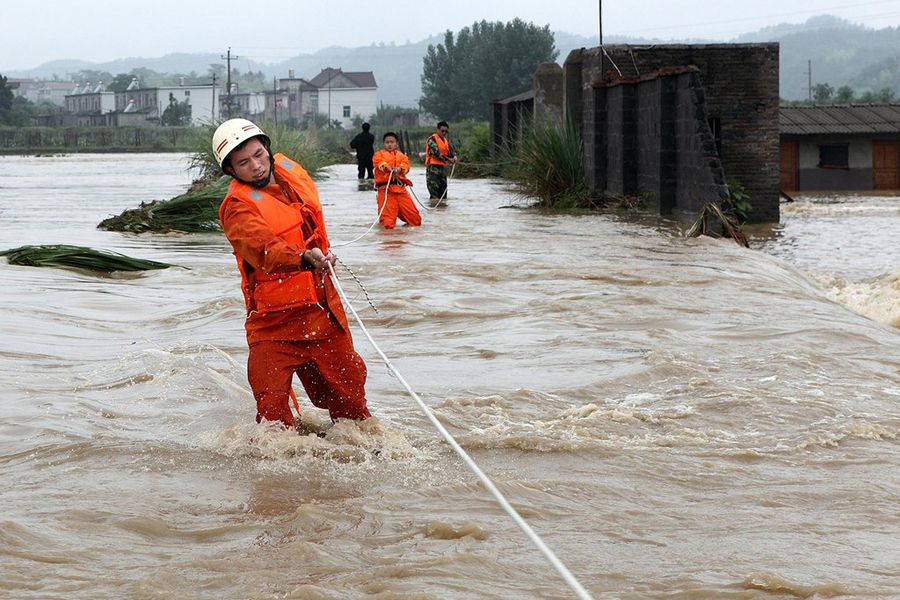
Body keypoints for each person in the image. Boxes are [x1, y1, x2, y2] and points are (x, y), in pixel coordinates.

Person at [212, 118, 371, 430]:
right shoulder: (237, 207)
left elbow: (311, 228)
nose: (255, 166)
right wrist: (304, 258)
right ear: (231, 171)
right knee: (272, 423)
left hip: (323, 314)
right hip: (273, 324)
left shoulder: (292, 178)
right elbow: (264, 249)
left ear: (268, 150)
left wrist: (323, 255)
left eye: (258, 155)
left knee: (354, 410)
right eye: (243, 162)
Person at [372, 131, 421, 229]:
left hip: (400, 190)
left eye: (392, 142)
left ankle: (402, 229)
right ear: (383, 143)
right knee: (387, 224)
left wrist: (400, 169)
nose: (389, 144)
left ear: (396, 144)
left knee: (415, 221)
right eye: (387, 142)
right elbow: (380, 164)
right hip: (386, 190)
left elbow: (406, 166)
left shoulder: (402, 156)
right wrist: (388, 168)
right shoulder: (378, 154)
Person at [425, 121, 458, 200]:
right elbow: (437, 154)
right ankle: (434, 210)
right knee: (434, 195)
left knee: (443, 195)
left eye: (446, 131)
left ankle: (442, 211)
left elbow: (450, 151)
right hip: (433, 169)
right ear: (438, 130)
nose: (444, 133)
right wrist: (449, 160)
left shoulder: (445, 141)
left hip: (442, 169)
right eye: (442, 131)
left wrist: (454, 156)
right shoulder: (432, 140)